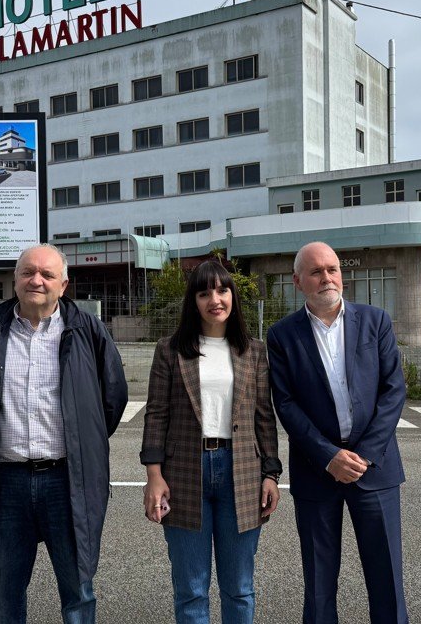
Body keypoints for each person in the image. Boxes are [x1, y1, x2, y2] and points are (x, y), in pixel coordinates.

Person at [0, 243, 128, 623]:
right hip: (7, 483)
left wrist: (83, 442)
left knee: (78, 592)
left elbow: (113, 398)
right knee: (4, 597)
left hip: (67, 481)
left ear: (64, 284)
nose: (36, 280)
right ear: (15, 279)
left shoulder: (88, 331)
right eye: (27, 272)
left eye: (47, 274)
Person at [267, 242, 409, 623]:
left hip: (373, 469)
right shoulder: (282, 335)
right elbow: (286, 403)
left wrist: (363, 455)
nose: (326, 278)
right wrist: (328, 455)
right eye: (316, 272)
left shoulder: (375, 321)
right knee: (318, 583)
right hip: (318, 471)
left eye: (332, 269)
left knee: (387, 580)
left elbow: (394, 390)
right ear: (298, 281)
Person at [141, 260, 283, 623]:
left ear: (233, 295)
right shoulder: (170, 349)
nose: (214, 300)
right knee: (191, 590)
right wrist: (153, 476)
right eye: (204, 293)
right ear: (194, 301)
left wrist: (271, 473)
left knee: (239, 589)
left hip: (243, 472)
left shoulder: (253, 351)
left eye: (222, 290)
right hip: (184, 472)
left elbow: (264, 418)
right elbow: (156, 413)